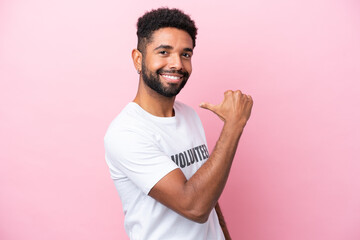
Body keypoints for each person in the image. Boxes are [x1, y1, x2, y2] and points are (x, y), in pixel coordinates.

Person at [104, 7, 253, 240]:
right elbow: (195, 206)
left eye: (186, 54)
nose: (177, 64)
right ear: (138, 59)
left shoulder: (189, 115)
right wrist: (233, 126)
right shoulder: (126, 133)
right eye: (164, 52)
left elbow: (208, 191)